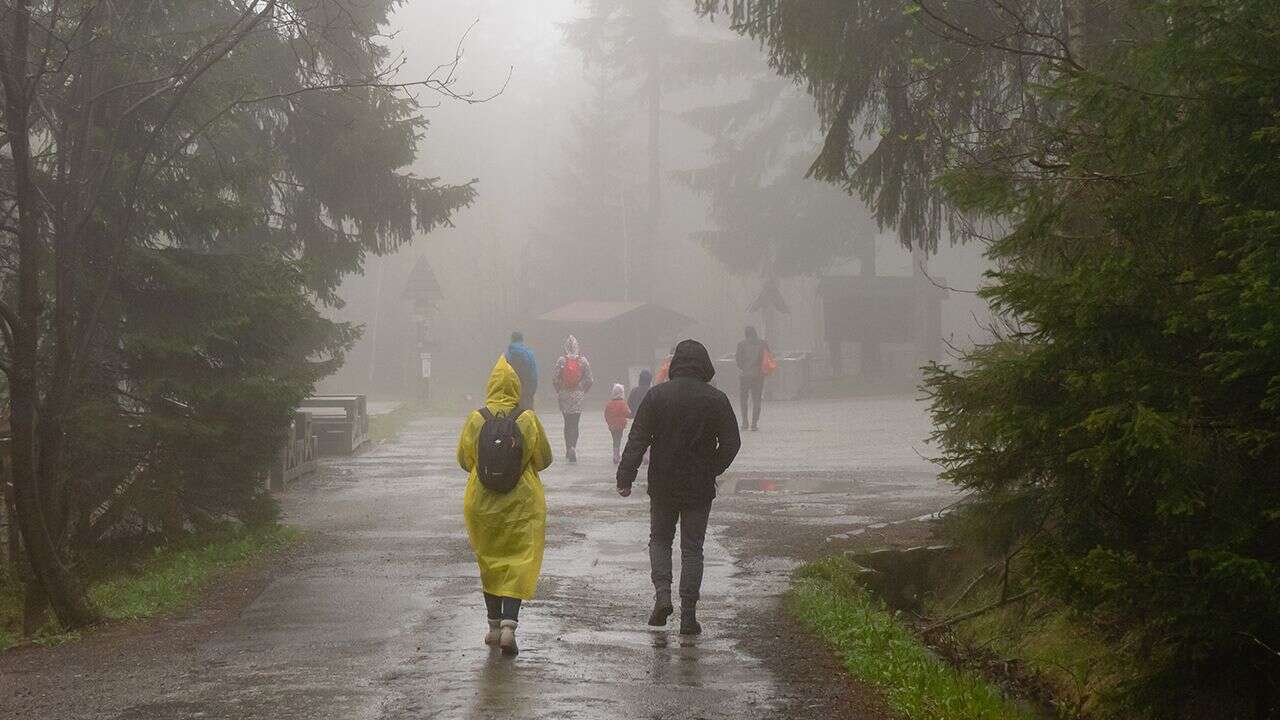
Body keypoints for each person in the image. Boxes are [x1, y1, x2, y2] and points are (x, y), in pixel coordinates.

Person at [617, 339, 741, 635]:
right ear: (705, 365)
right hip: (699, 485)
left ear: (675, 365)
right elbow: (732, 443)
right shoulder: (716, 399)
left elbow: (637, 439)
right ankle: (688, 615)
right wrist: (712, 468)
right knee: (692, 548)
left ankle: (662, 595)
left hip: (663, 483)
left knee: (660, 539)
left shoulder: (656, 397)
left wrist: (626, 476)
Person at [457, 356, 553, 656]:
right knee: (518, 561)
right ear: (516, 387)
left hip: (482, 503)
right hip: (521, 504)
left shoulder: (477, 418)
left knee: (490, 560)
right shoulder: (527, 418)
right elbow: (544, 459)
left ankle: (493, 627)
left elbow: (463, 460)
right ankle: (510, 626)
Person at [553, 334, 593, 462]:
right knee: (575, 423)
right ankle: (573, 447)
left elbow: (554, 379)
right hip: (578, 396)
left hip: (564, 395)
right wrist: (583, 390)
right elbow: (590, 380)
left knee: (567, 423)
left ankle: (567, 448)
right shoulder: (583, 361)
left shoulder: (561, 361)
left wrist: (559, 390)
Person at [735, 326, 769, 431]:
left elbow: (738, 360)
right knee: (757, 399)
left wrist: (745, 367)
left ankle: (745, 422)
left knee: (743, 400)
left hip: (745, 376)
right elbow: (768, 358)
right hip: (758, 376)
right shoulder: (763, 344)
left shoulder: (741, 344)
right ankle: (754, 424)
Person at [505, 331, 538, 411]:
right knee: (527, 415)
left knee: (512, 416)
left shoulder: (506, 355)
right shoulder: (529, 354)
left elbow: (503, 375)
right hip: (526, 391)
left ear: (512, 340)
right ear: (522, 340)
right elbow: (534, 375)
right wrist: (532, 391)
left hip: (512, 391)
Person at [605, 383, 631, 465]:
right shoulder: (623, 403)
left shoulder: (609, 404)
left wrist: (609, 422)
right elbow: (627, 413)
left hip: (612, 425)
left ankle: (616, 454)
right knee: (618, 439)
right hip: (620, 425)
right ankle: (616, 455)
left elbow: (606, 414)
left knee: (615, 439)